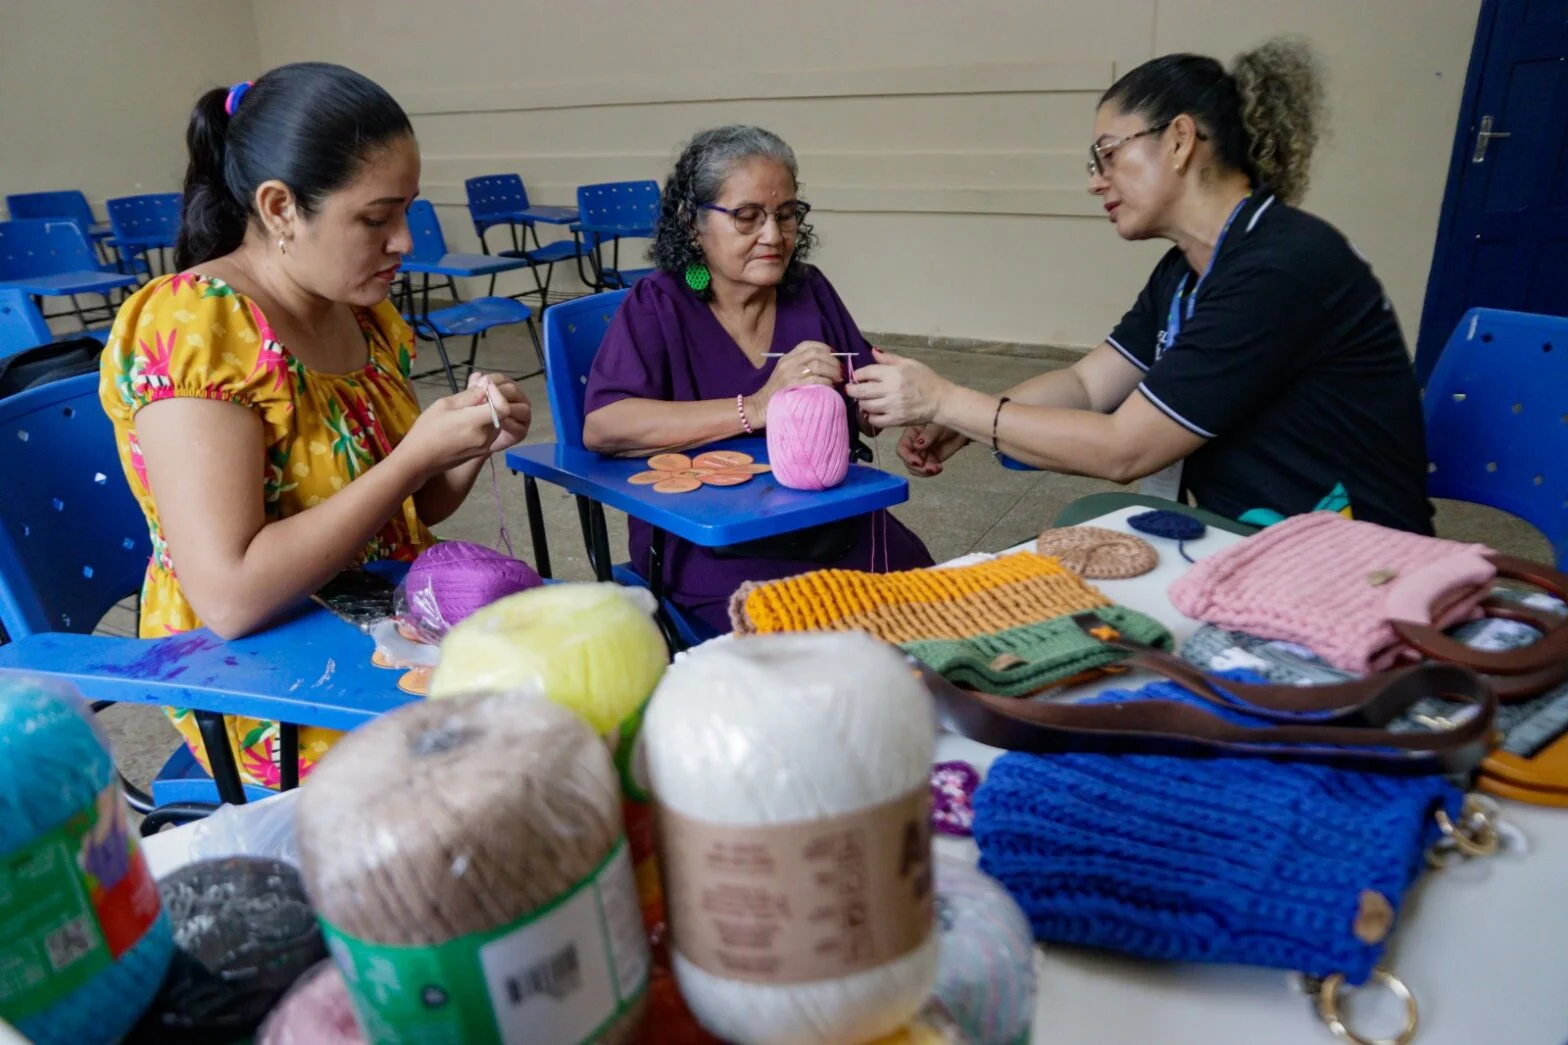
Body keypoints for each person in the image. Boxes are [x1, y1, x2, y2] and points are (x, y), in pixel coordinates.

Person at [99, 63, 532, 788]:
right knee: (486, 779)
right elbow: (232, 598)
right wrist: (408, 459)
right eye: (375, 218)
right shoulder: (199, 327)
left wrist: (460, 446)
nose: (404, 241)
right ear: (279, 208)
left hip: (376, 609)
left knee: (565, 703)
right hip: (256, 669)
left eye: (408, 212)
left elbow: (415, 509)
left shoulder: (362, 311)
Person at [847, 40, 1434, 534]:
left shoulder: (1280, 266)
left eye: (1107, 154)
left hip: (1358, 564)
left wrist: (945, 399)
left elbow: (1125, 449)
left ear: (1179, 140)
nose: (1096, 181)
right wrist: (972, 421)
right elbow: (1086, 384)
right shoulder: (1188, 268)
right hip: (1256, 543)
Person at [582, 125, 934, 633]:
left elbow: (862, 391)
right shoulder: (661, 303)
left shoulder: (808, 290)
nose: (773, 235)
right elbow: (606, 425)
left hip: (832, 527)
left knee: (937, 610)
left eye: (786, 215)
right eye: (748, 217)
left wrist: (904, 407)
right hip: (717, 546)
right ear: (693, 222)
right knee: (807, 650)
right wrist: (757, 404)